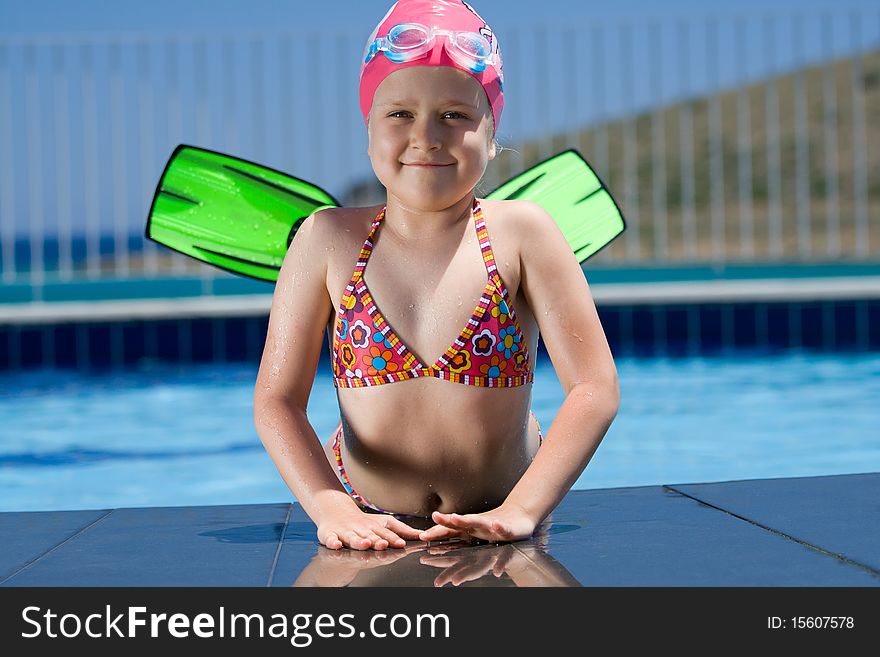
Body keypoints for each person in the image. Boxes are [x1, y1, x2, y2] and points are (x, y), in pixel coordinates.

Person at [254, 0, 619, 551]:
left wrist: (522, 509)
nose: (426, 135)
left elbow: (594, 388)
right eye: (399, 114)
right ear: (369, 130)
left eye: (455, 115)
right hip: (366, 509)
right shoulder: (327, 240)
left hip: (506, 504)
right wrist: (328, 504)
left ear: (492, 137)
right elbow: (277, 401)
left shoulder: (522, 234)